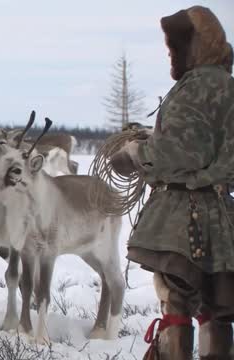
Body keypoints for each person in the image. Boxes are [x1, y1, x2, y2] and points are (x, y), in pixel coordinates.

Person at [110, 5, 234, 360]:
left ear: (193, 45)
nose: (170, 54)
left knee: (177, 299)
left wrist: (136, 153)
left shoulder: (196, 87)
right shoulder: (227, 85)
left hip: (186, 217)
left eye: (173, 47)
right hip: (222, 216)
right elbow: (205, 142)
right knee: (213, 304)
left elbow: (182, 153)